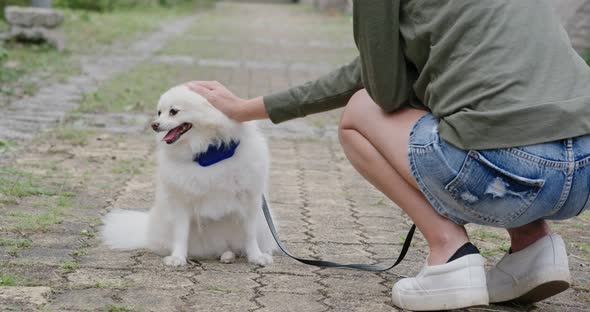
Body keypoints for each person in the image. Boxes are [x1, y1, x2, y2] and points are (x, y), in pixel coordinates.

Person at [187, 0, 590, 310]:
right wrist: (253, 107)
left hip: (505, 171)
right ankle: (534, 249)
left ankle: (449, 251)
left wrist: (246, 109)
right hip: (583, 164)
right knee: (494, 98)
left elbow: (383, 89)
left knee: (359, 114)